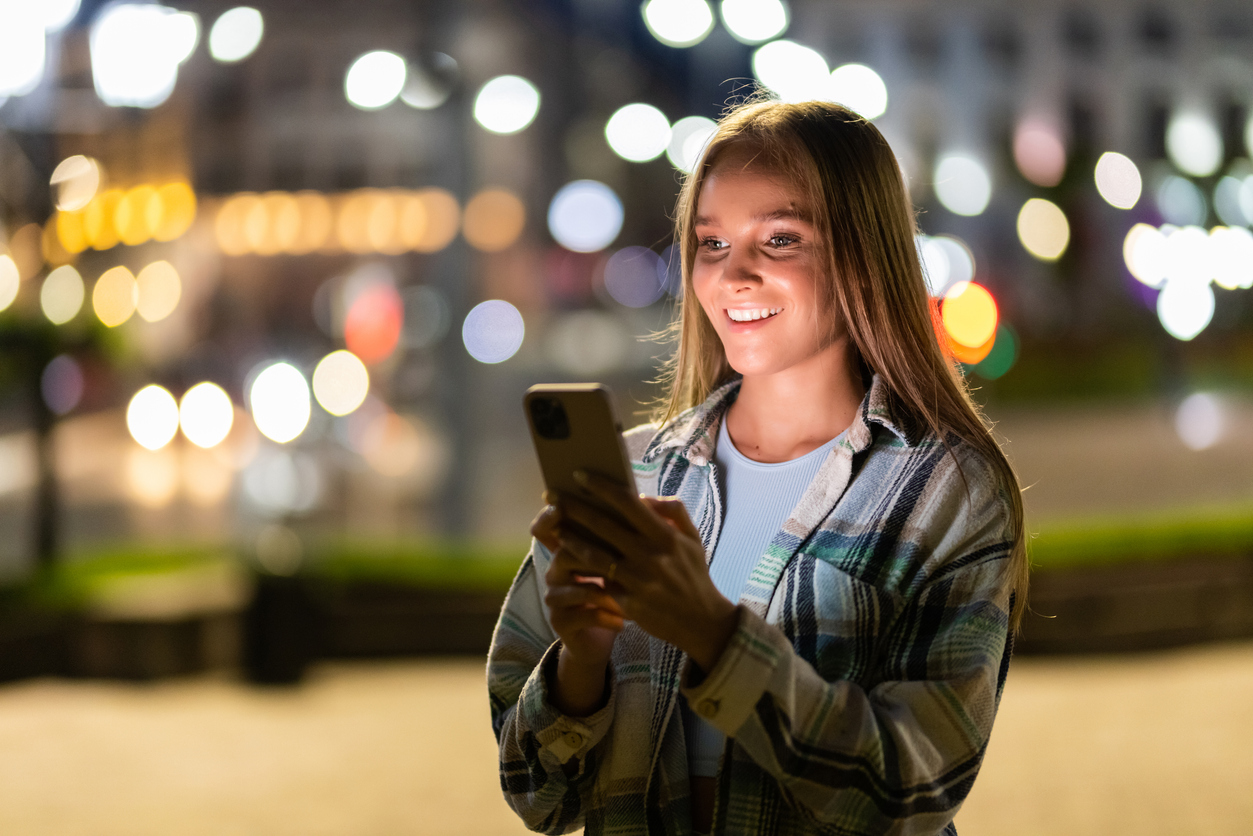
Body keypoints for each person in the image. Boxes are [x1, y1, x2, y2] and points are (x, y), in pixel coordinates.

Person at [487, 98, 1028, 836]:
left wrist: (713, 634)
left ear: (863, 254)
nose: (732, 275)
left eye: (779, 239)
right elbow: (535, 794)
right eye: (711, 243)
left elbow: (910, 791)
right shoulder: (634, 474)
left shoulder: (945, 490)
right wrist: (579, 667)